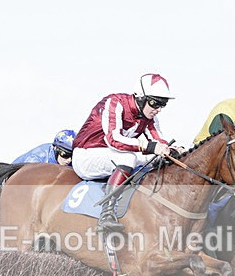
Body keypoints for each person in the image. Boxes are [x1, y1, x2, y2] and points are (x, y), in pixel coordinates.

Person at [72, 73, 175, 232]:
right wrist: (151, 147)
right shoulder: (115, 102)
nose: (158, 109)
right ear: (140, 97)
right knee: (128, 158)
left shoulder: (148, 116)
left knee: (156, 159)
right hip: (86, 155)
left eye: (163, 104)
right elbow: (114, 139)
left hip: (112, 155)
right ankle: (107, 213)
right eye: (155, 103)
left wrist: (173, 150)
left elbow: (159, 141)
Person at [12, 129, 77, 166]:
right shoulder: (35, 159)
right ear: (55, 149)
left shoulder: (70, 162)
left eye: (72, 156)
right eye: (65, 154)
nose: (69, 160)